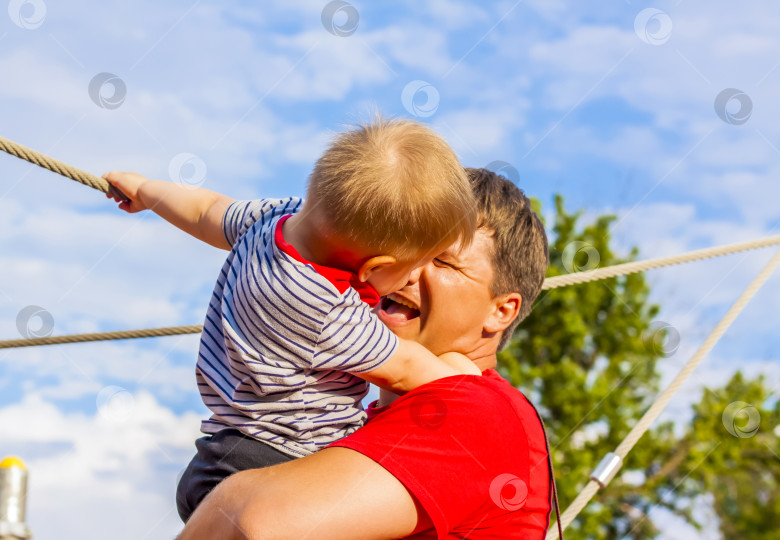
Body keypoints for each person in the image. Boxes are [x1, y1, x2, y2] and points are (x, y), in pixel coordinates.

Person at [102, 117, 482, 522]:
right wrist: (468, 385)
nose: (412, 279)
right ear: (373, 267)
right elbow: (405, 368)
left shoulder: (275, 221)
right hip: (278, 464)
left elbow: (207, 210)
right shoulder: (325, 308)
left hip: (222, 453)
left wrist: (147, 190)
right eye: (414, 267)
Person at [177, 168, 561, 539]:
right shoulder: (354, 422)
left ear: (501, 311)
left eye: (442, 260)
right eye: (405, 244)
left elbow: (250, 521)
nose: (407, 268)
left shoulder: (480, 411)